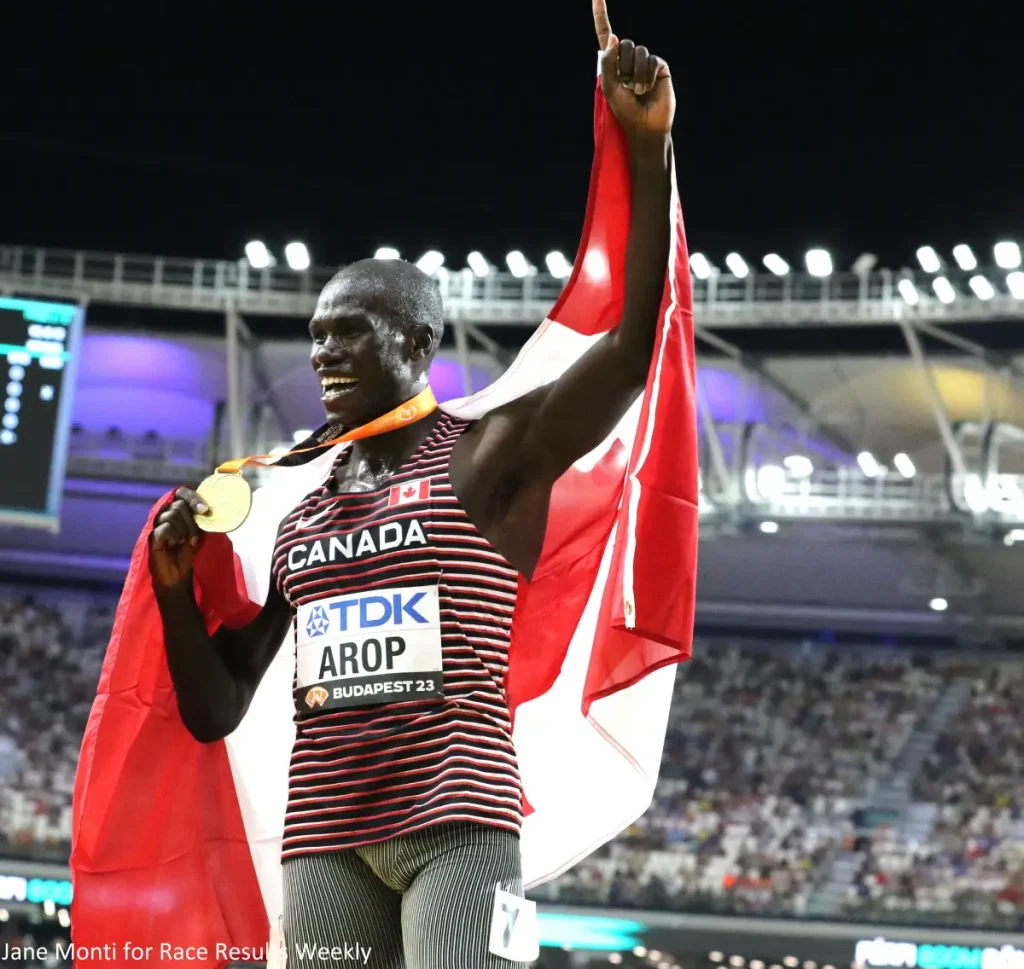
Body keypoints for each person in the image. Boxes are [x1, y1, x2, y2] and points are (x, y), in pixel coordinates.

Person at [146, 3, 676, 966]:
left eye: (350, 329)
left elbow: (633, 349)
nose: (324, 351)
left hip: (461, 826)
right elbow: (216, 709)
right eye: (315, 335)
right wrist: (176, 591)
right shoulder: (301, 504)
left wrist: (648, 149)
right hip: (325, 838)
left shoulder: (493, 453)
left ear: (419, 343)